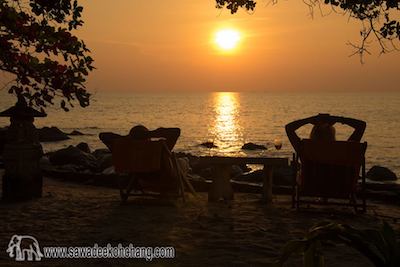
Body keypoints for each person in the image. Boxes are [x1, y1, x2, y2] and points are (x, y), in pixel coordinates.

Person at [285, 113, 366, 153]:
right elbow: (361, 125)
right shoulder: (343, 150)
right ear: (332, 133)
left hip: (312, 186)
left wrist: (310, 120)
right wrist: (338, 119)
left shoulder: (306, 149)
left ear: (313, 133)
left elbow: (289, 128)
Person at [99, 125, 181, 152]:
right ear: (147, 137)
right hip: (159, 175)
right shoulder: (156, 150)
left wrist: (128, 137)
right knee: (183, 161)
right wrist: (150, 134)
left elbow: (103, 135)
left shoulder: (125, 150)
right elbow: (176, 131)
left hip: (136, 175)